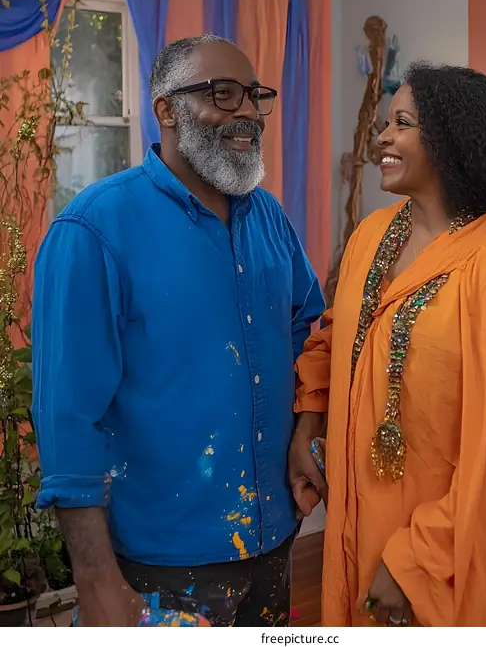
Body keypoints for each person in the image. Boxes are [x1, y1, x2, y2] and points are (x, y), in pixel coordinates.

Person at [289, 63, 486, 627]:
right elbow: (338, 338)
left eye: (402, 123)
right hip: (359, 525)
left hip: (452, 551)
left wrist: (416, 563)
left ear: (451, 138)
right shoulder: (372, 235)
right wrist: (310, 420)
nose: (382, 136)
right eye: (385, 123)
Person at [32, 35, 325, 627]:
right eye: (223, 94)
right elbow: (69, 427)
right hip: (161, 567)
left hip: (273, 541)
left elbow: (304, 329)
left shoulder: (268, 215)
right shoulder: (93, 229)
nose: (246, 111)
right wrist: (95, 584)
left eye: (254, 96)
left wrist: (305, 432)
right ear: (166, 109)